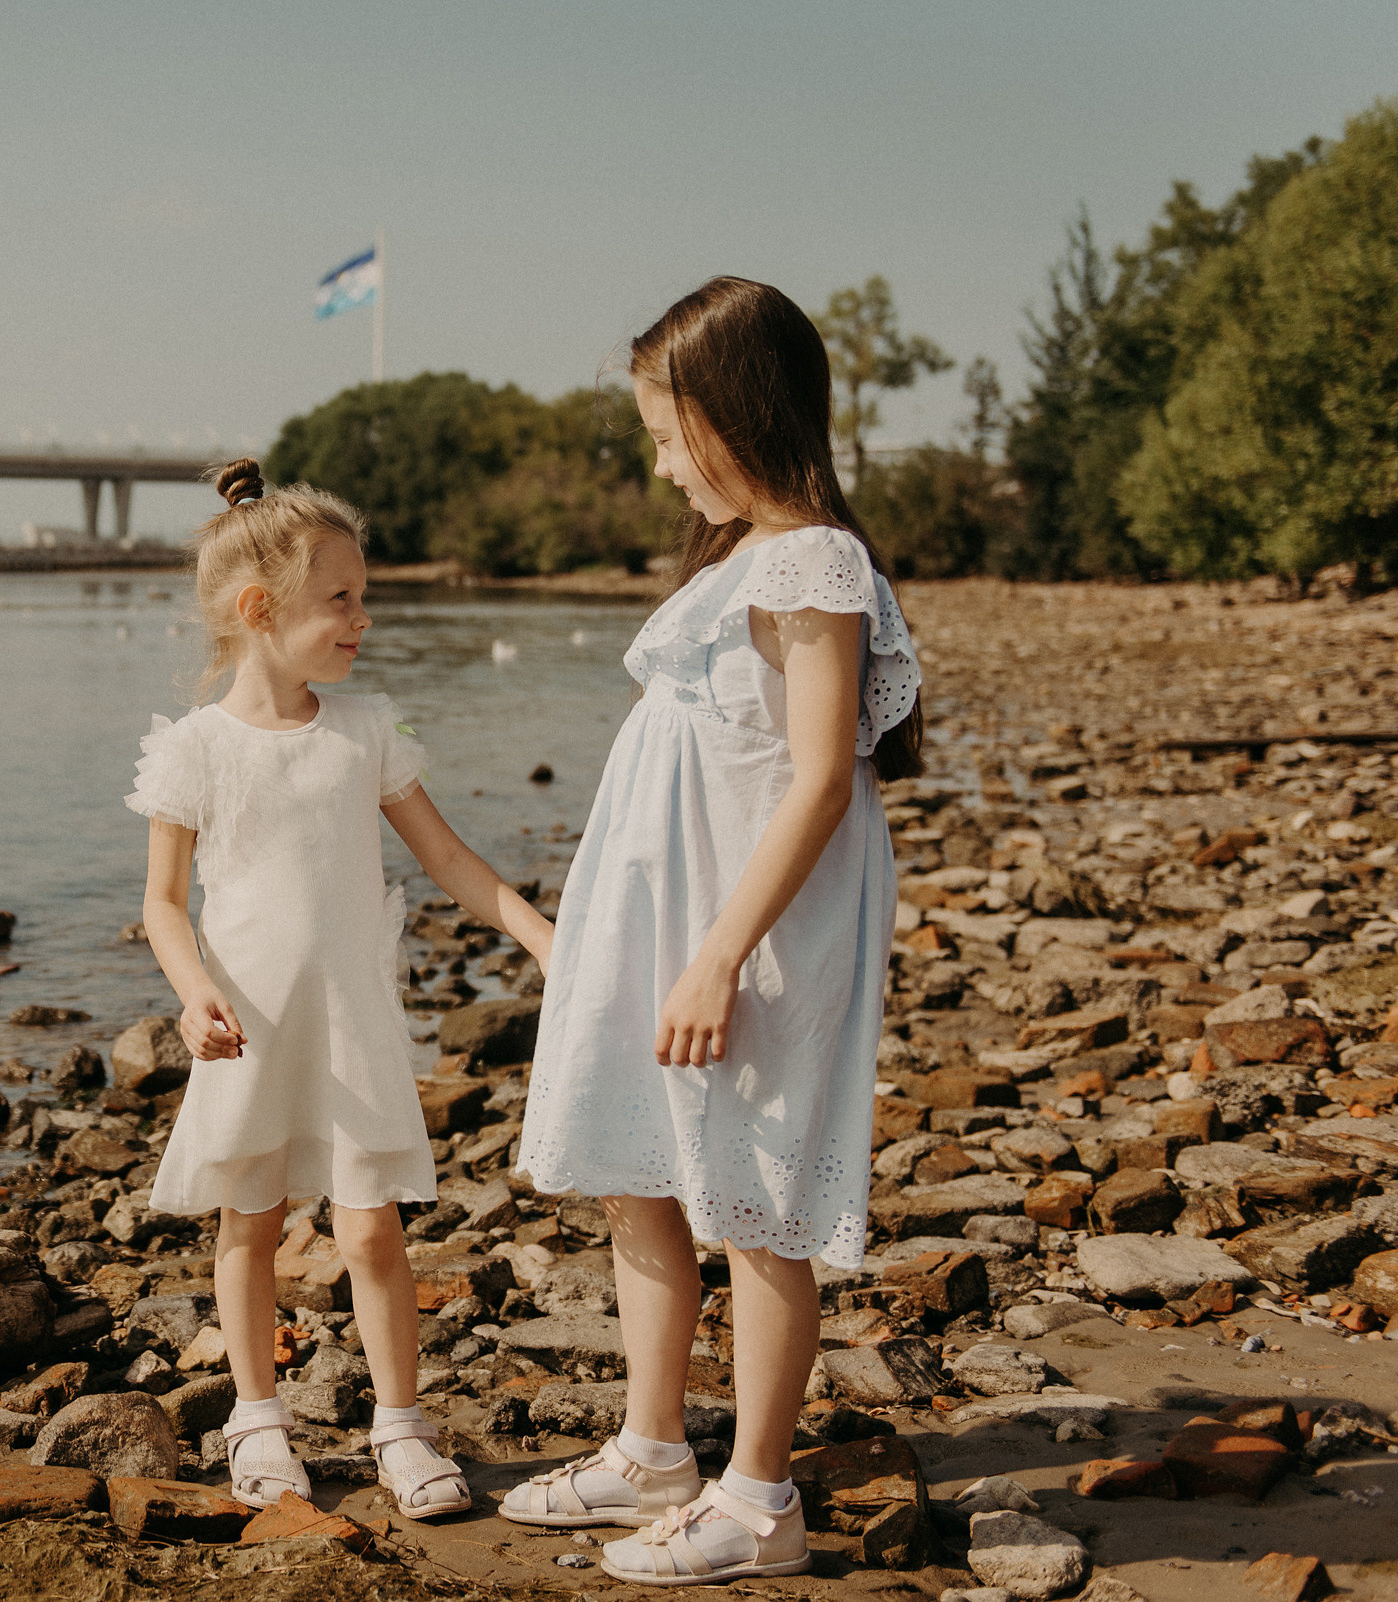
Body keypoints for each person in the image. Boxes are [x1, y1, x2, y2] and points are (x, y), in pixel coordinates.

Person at [499, 277, 924, 1584]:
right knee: (641, 1167)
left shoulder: (814, 561)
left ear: (738, 412)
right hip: (668, 915)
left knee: (758, 1196)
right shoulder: (741, 558)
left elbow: (820, 777)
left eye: (667, 434)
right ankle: (652, 1449)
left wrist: (721, 952)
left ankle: (758, 1498)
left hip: (751, 930)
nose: (662, 465)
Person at [126, 458, 557, 1521]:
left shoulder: (367, 728)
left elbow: (448, 861)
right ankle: (257, 1418)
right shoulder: (195, 749)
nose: (365, 619)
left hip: (354, 1025)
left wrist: (544, 936)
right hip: (251, 1027)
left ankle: (401, 1426)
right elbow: (164, 904)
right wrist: (191, 992)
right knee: (250, 1223)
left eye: (364, 596)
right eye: (343, 599)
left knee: (370, 1231)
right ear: (259, 611)